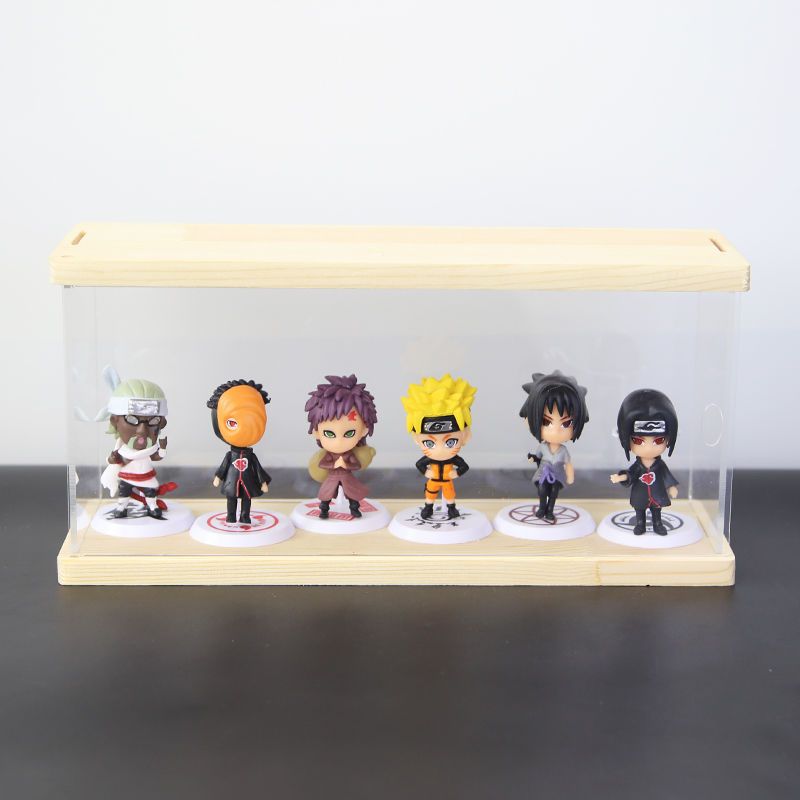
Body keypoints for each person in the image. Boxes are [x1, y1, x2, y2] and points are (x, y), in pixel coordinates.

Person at [401, 374, 476, 520]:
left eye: (450, 442)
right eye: (429, 443)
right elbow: (420, 464)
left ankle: (451, 508)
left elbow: (464, 466)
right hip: (433, 480)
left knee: (449, 494)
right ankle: (428, 507)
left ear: (466, 436)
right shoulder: (428, 459)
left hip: (447, 481)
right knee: (430, 494)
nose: (440, 450)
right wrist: (426, 472)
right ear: (416, 439)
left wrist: (456, 473)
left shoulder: (454, 459)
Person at [520, 371, 589, 522]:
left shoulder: (563, 451)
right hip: (543, 472)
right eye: (546, 422)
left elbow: (568, 464)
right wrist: (532, 459)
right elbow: (537, 457)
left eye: (566, 423)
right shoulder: (542, 447)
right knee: (542, 489)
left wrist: (570, 476)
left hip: (557, 474)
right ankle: (542, 507)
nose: (556, 431)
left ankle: (550, 510)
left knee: (554, 492)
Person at [610, 388, 679, 535]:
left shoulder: (659, 465)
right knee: (639, 510)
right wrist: (621, 477)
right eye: (638, 441)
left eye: (658, 440)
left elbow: (666, 476)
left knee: (656, 510)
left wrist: (671, 487)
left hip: (657, 492)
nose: (648, 448)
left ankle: (657, 523)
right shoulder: (638, 466)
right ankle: (640, 523)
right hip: (640, 493)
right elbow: (631, 474)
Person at [207, 379, 271, 525]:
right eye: (232, 423)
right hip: (232, 481)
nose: (244, 429)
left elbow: (258, 469)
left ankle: (245, 517)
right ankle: (230, 517)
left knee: (246, 499)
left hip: (248, 482)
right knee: (231, 499)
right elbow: (224, 466)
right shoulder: (230, 455)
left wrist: (263, 482)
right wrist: (218, 477)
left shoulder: (251, 456)